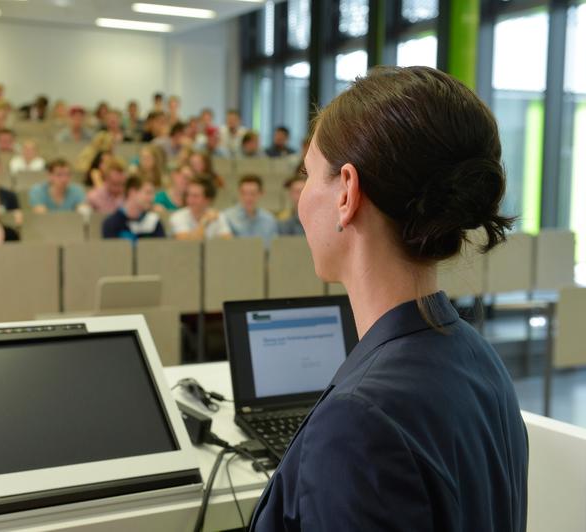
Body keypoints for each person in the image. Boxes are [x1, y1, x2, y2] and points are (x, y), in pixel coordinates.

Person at [249, 66, 527, 531]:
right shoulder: (478, 358)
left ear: (347, 193)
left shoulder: (357, 423)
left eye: (310, 173)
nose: (301, 196)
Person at [102, 177, 165, 241]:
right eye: (147, 193)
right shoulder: (112, 223)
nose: (152, 198)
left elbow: (161, 249)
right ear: (132, 192)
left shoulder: (154, 221)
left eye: (152, 193)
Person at [223, 174, 278, 246]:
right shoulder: (226, 217)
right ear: (239, 193)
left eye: (252, 193)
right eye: (244, 193)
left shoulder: (269, 220)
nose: (248, 198)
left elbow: (274, 249)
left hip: (263, 256)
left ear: (261, 193)